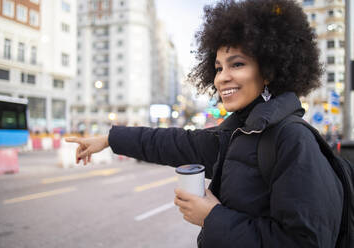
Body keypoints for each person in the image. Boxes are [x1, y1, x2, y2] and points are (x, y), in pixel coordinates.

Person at [66, 0, 343, 247]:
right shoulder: (238, 133)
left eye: (236, 64)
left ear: (269, 70)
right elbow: (174, 143)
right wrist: (109, 139)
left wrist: (212, 218)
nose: (221, 78)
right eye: (219, 67)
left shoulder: (292, 139)